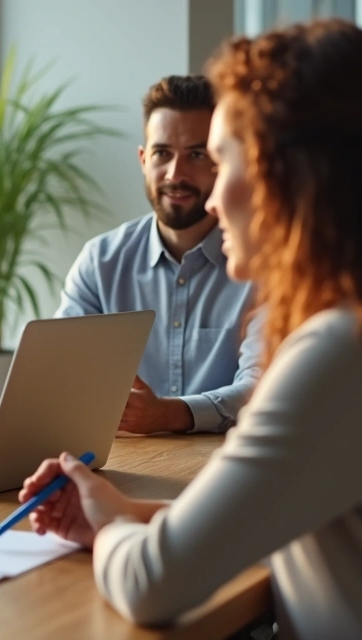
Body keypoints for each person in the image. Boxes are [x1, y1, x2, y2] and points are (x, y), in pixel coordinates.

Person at [18, 19, 362, 638]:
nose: (210, 198)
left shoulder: (345, 353)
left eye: (221, 159)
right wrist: (125, 512)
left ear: (287, 176)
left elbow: (149, 584)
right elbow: (279, 513)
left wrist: (110, 530)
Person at [56, 75, 261, 435]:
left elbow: (263, 388)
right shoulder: (100, 262)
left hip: (226, 465)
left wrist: (172, 414)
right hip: (123, 463)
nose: (175, 174)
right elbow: (59, 375)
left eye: (196, 155)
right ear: (143, 159)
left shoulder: (261, 265)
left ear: (222, 161)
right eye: (162, 153)